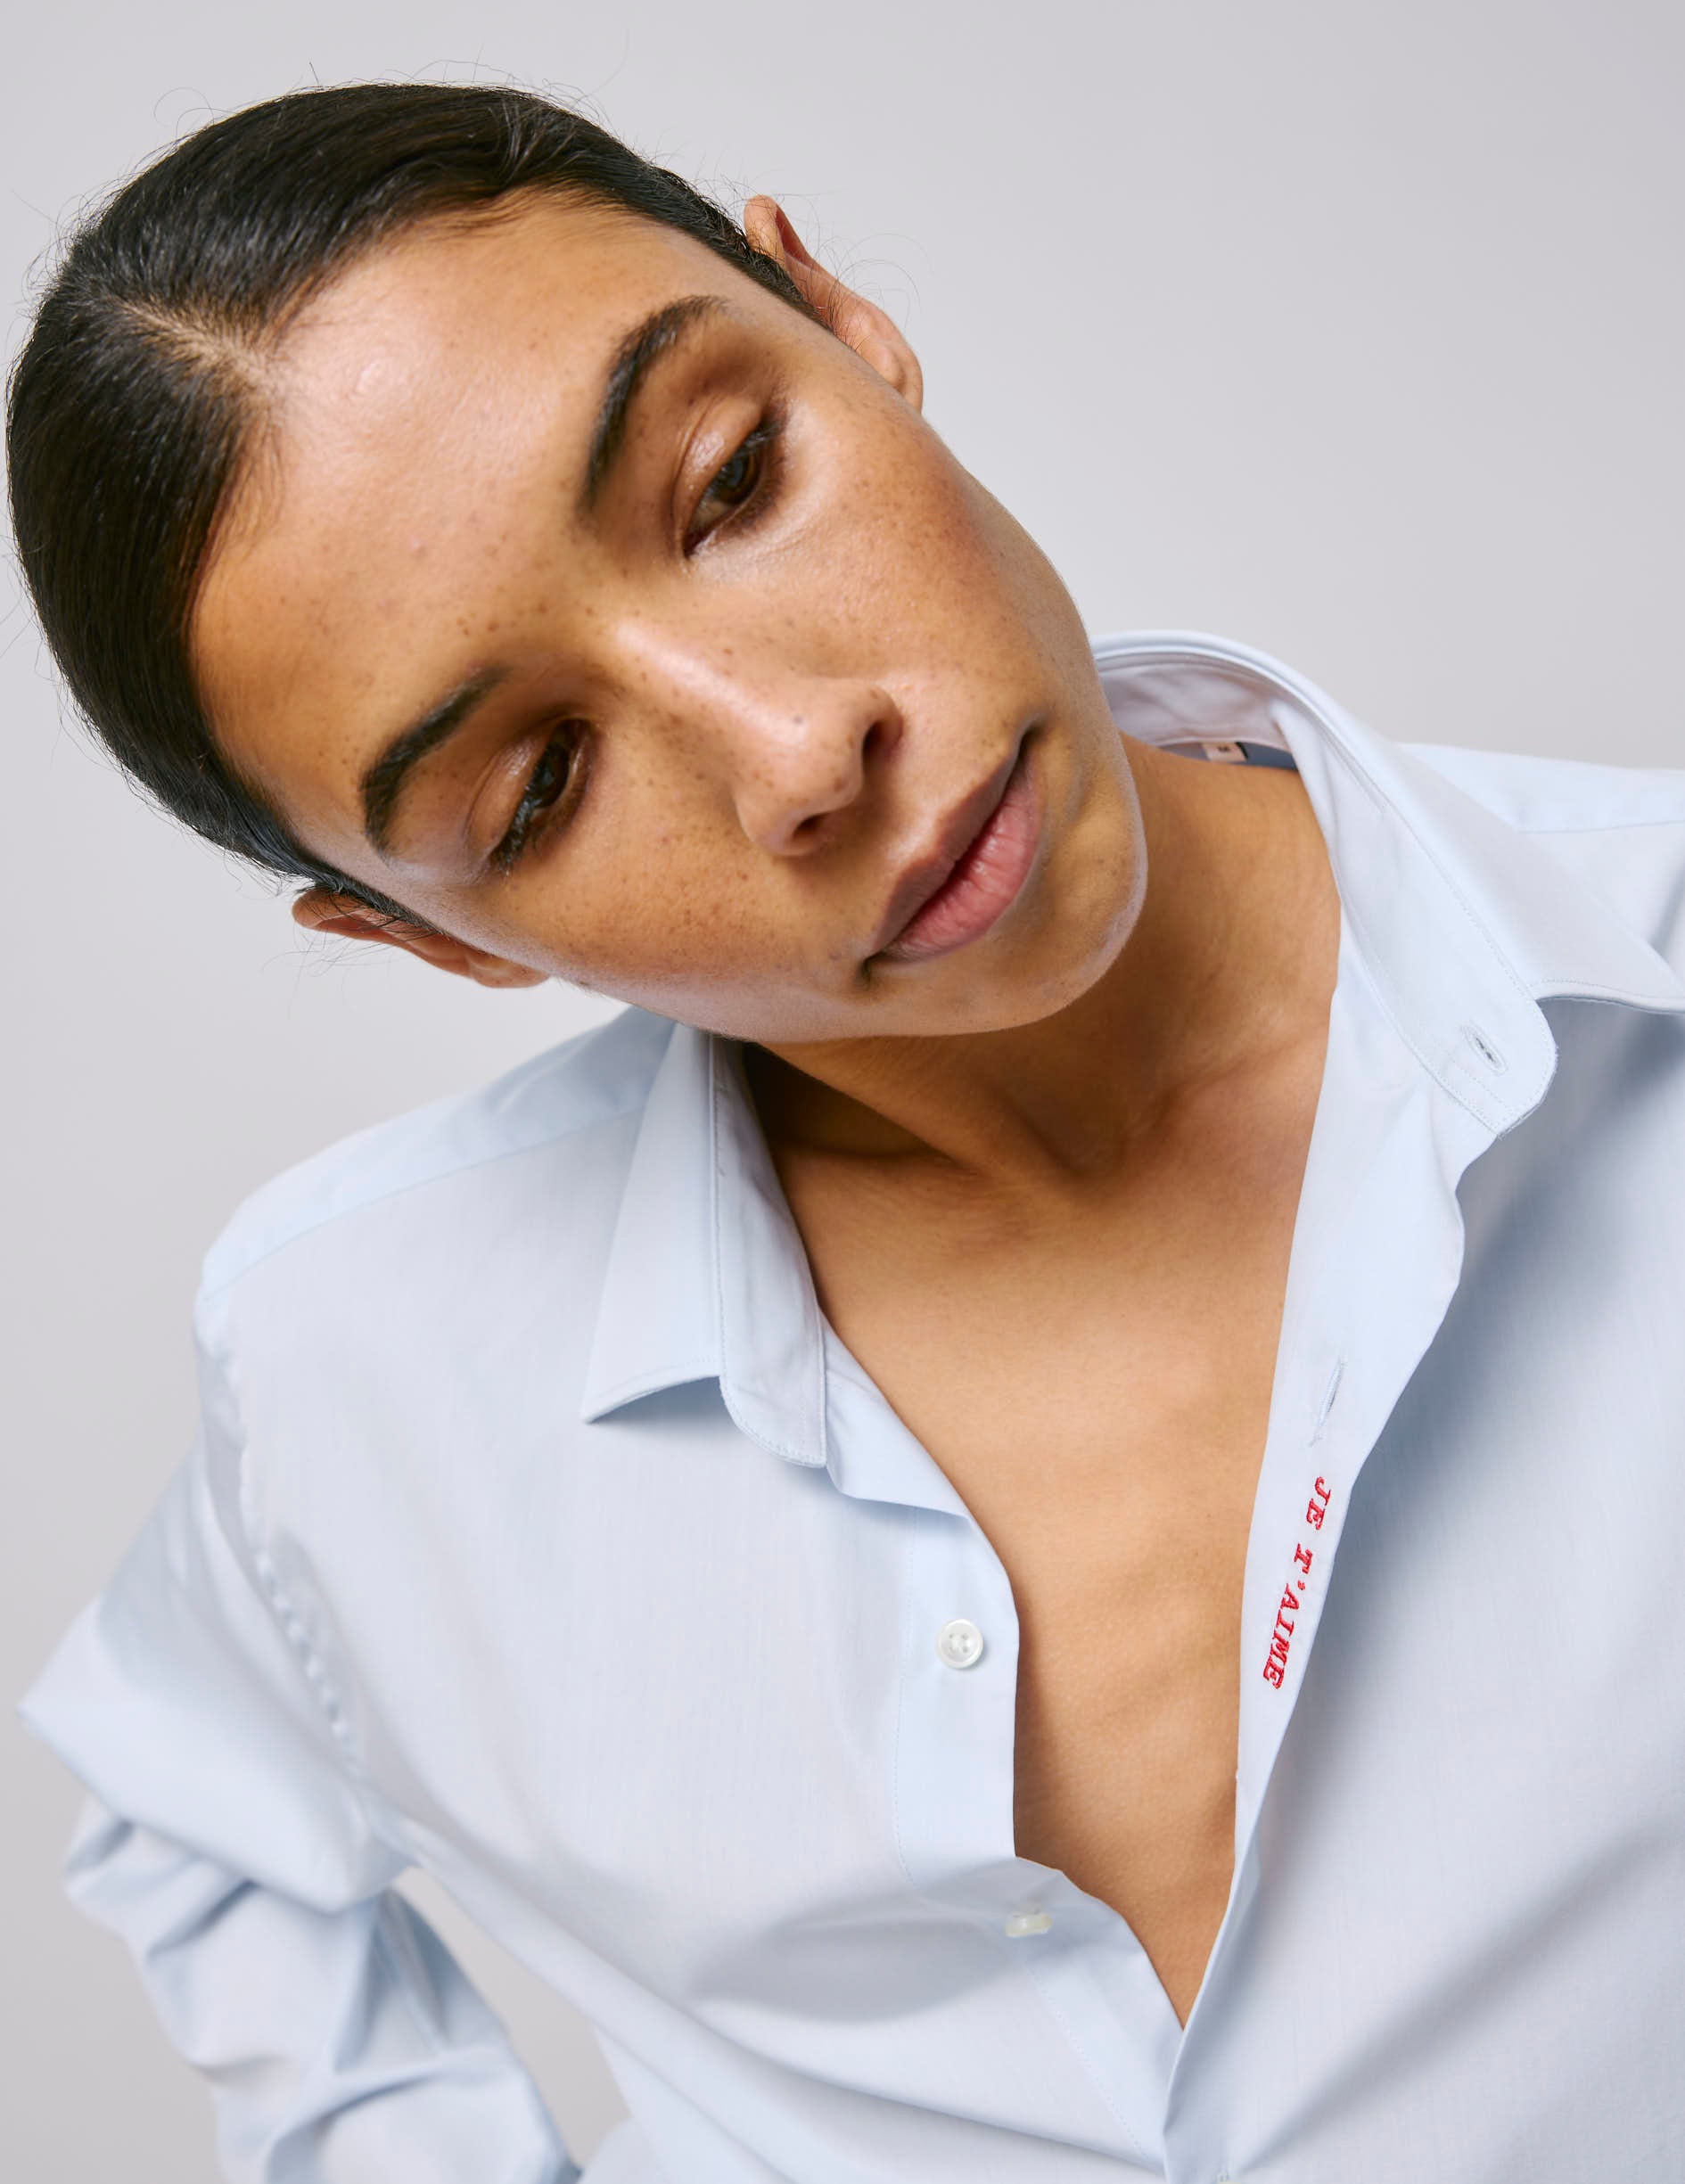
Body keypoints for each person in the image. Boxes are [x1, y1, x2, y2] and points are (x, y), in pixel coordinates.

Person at [9, 78, 1683, 2184]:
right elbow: (190, 1819)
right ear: (428, 940)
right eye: (532, 790)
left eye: (728, 481)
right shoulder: (358, 1369)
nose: (801, 750)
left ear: (835, 313)